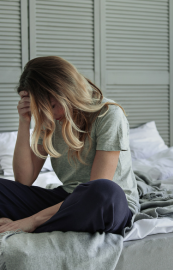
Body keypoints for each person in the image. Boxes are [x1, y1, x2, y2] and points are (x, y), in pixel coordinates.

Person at [0, 56, 139, 234]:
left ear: (66, 90)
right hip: (68, 198)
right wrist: (24, 121)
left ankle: (33, 225)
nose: (49, 113)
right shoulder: (49, 118)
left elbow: (94, 189)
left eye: (52, 105)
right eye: (41, 109)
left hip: (107, 203)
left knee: (104, 191)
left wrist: (32, 220)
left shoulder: (109, 115)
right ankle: (48, 223)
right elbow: (24, 180)